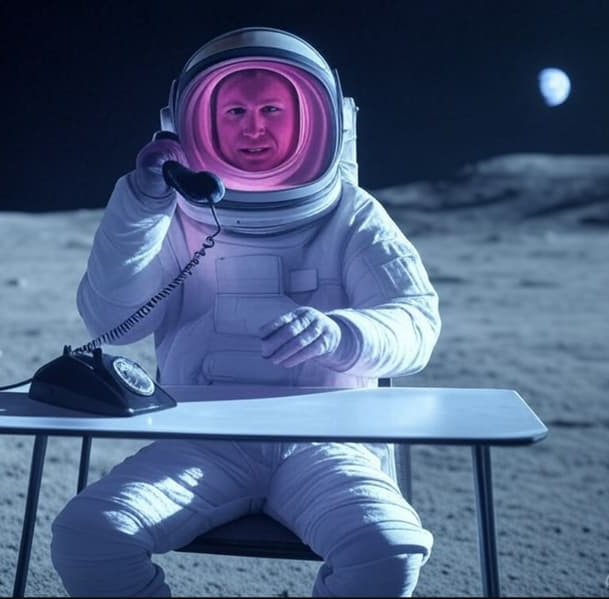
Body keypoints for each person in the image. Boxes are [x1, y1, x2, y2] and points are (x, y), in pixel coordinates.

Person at [50, 27, 441, 597]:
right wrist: (143, 204)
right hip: (203, 442)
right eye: (235, 110)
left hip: (326, 443)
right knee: (90, 536)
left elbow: (416, 324)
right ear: (191, 123)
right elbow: (112, 322)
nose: (254, 127)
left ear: (317, 119)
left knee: (388, 550)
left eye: (271, 109)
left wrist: (342, 335)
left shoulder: (352, 216)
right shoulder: (170, 218)